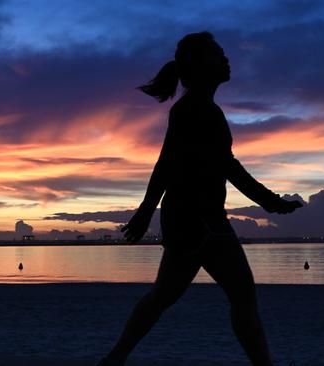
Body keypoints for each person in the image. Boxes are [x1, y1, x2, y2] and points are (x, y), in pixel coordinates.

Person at [96, 32, 302, 366]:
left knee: (163, 296)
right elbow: (199, 165)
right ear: (200, 65)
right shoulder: (196, 109)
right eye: (218, 54)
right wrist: (271, 202)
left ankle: (113, 360)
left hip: (187, 220)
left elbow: (179, 163)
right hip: (202, 220)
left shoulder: (195, 109)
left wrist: (148, 211)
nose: (226, 59)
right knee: (241, 295)